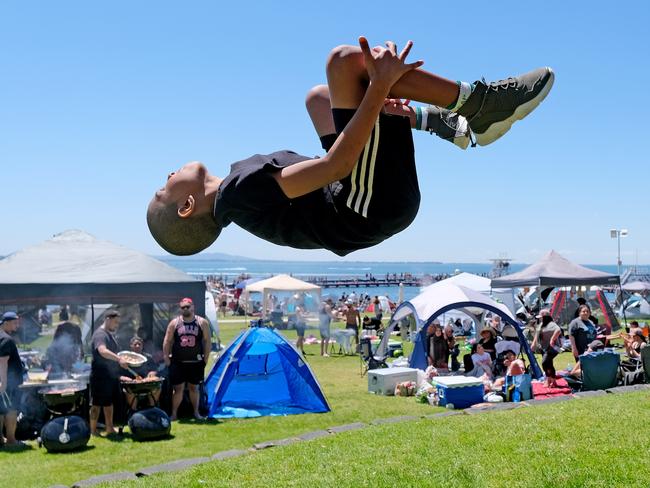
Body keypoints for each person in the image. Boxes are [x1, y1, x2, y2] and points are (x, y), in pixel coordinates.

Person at [147, 37, 554, 257]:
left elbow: (335, 169)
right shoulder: (239, 192)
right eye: (162, 188)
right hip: (367, 204)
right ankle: (478, 105)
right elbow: (337, 166)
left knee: (318, 98)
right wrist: (377, 87)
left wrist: (378, 103)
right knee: (346, 62)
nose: (165, 177)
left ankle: (441, 122)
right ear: (186, 207)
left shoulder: (240, 193)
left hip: (365, 203)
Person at [163, 298, 211, 421]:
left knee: (194, 388)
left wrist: (206, 358)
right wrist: (166, 357)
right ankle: (174, 414)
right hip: (178, 363)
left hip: (195, 362)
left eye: (187, 307)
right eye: (183, 307)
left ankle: (196, 412)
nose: (185, 309)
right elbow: (167, 341)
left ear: (193, 307)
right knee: (177, 389)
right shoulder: (174, 323)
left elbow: (207, 341)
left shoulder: (202, 322)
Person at [89, 309, 129, 436]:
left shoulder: (109, 334)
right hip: (100, 376)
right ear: (107, 319)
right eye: (115, 322)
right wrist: (119, 359)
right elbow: (102, 351)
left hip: (110, 375)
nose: (117, 325)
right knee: (96, 404)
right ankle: (93, 430)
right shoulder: (100, 334)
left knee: (108, 403)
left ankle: (109, 428)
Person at [0, 312, 25, 448]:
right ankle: (11, 440)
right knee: (11, 410)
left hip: (4, 380)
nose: (17, 325)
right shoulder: (6, 339)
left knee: (1, 410)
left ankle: (0, 439)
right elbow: (3, 362)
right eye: (15, 322)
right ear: (6, 322)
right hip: (9, 382)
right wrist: (3, 383)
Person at [119, 336, 161, 408]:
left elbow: (154, 370)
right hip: (130, 384)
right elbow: (118, 374)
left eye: (139, 344)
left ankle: (152, 407)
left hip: (145, 382)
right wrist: (125, 378)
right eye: (135, 344)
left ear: (142, 345)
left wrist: (151, 374)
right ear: (131, 346)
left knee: (158, 388)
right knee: (128, 391)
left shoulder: (148, 358)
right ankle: (133, 410)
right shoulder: (124, 359)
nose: (137, 346)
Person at [530, 309, 562, 387]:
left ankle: (548, 379)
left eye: (541, 317)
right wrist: (533, 345)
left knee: (544, 362)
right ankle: (553, 381)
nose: (540, 318)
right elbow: (537, 336)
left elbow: (558, 330)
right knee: (549, 363)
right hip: (544, 348)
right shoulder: (541, 324)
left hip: (552, 348)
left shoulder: (551, 324)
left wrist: (552, 339)